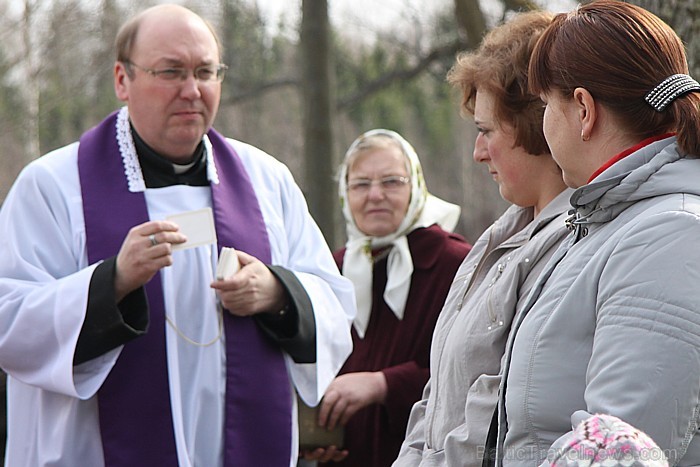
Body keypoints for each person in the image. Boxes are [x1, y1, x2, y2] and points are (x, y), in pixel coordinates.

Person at [0, 4, 355, 466]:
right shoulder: (52, 185)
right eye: (170, 72)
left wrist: (277, 293)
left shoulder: (266, 180)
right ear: (122, 80)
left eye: (206, 71)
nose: (192, 90)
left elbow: (334, 304)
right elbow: (10, 321)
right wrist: (113, 283)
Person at [485, 1, 700, 466]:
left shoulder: (666, 236)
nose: (544, 123)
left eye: (546, 105)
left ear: (583, 110)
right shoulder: (612, 225)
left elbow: (619, 451)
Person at [393, 11, 572, 466]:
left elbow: (495, 416)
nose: (477, 152)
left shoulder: (569, 247)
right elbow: (437, 397)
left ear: (539, 123)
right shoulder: (495, 241)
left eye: (486, 131)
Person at [301, 129, 472, 467]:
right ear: (344, 194)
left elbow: (473, 374)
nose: (375, 195)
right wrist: (314, 436)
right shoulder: (331, 270)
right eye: (361, 184)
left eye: (391, 182)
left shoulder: (454, 263)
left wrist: (383, 385)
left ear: (416, 187)